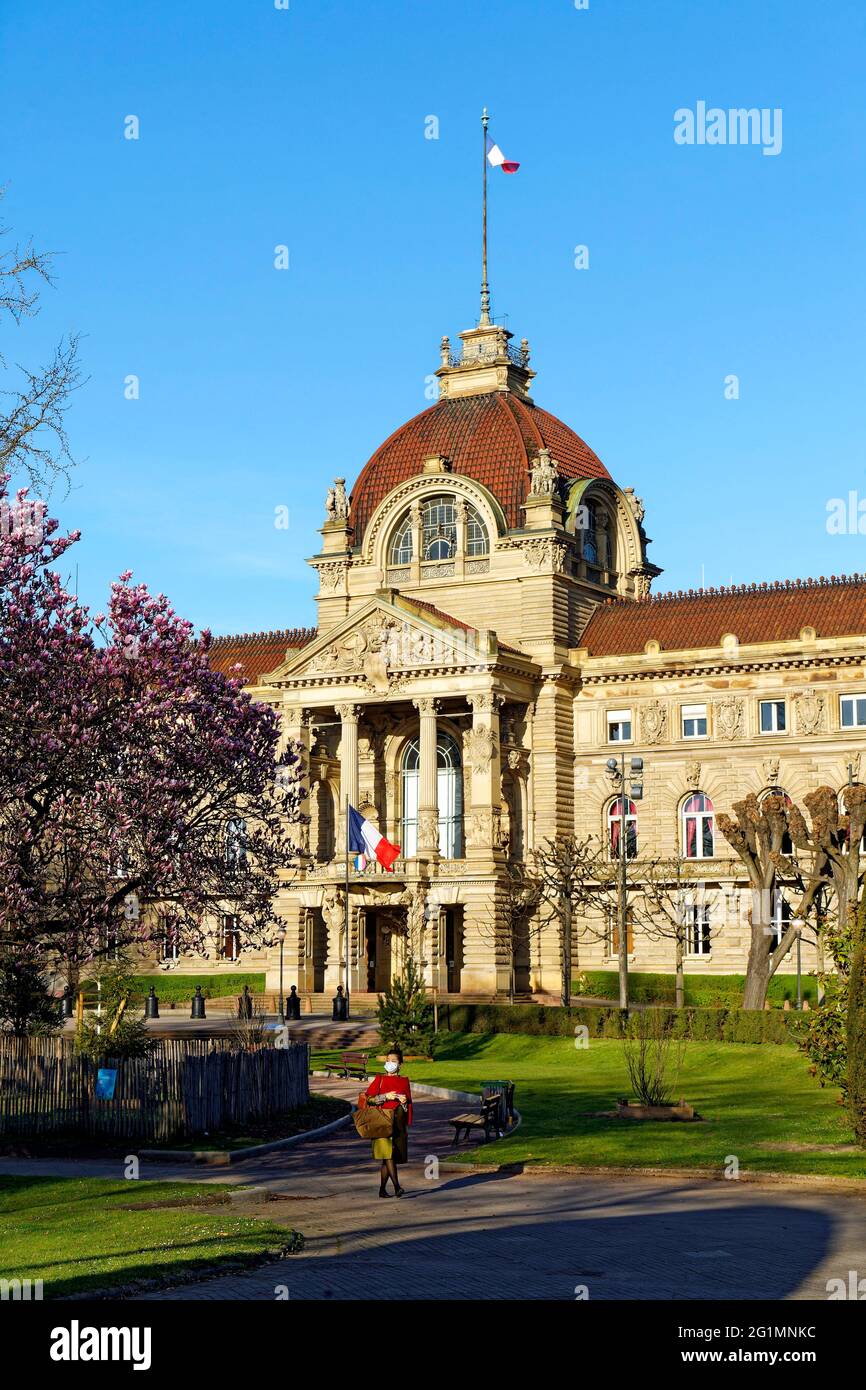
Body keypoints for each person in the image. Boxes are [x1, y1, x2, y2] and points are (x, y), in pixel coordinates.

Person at [364, 1046, 412, 1198]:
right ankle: (397, 1187)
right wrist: (385, 1096)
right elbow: (369, 1099)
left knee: (388, 1158)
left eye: (393, 1061)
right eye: (387, 1060)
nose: (390, 1063)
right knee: (388, 1155)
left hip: (397, 1124)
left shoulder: (404, 1081)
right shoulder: (380, 1079)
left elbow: (408, 1105)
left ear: (400, 1064)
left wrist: (404, 1102)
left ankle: (382, 1190)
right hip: (381, 1122)